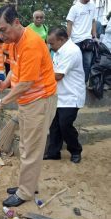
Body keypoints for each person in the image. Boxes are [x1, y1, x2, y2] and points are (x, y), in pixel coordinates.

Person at [0, 5, 57, 207]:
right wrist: (4, 83)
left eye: (4, 29)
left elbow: (26, 83)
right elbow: (14, 67)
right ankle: (27, 184)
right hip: (28, 101)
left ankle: (26, 192)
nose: (2, 35)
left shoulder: (31, 44)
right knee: (26, 146)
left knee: (31, 149)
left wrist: (1, 102)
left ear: (16, 22)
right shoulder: (13, 41)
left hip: (40, 100)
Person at [45, 28, 85, 163]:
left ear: (61, 40)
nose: (51, 47)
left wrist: (37, 75)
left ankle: (75, 150)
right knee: (54, 125)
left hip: (71, 96)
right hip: (59, 94)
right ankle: (53, 152)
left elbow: (58, 75)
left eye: (52, 43)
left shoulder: (71, 51)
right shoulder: (59, 51)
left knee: (65, 124)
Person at [67, 0, 96, 83]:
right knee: (74, 63)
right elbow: (69, 23)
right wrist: (68, 38)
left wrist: (94, 35)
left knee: (87, 63)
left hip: (88, 38)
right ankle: (72, 82)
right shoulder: (74, 7)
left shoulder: (92, 5)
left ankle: (83, 83)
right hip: (75, 40)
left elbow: (93, 21)